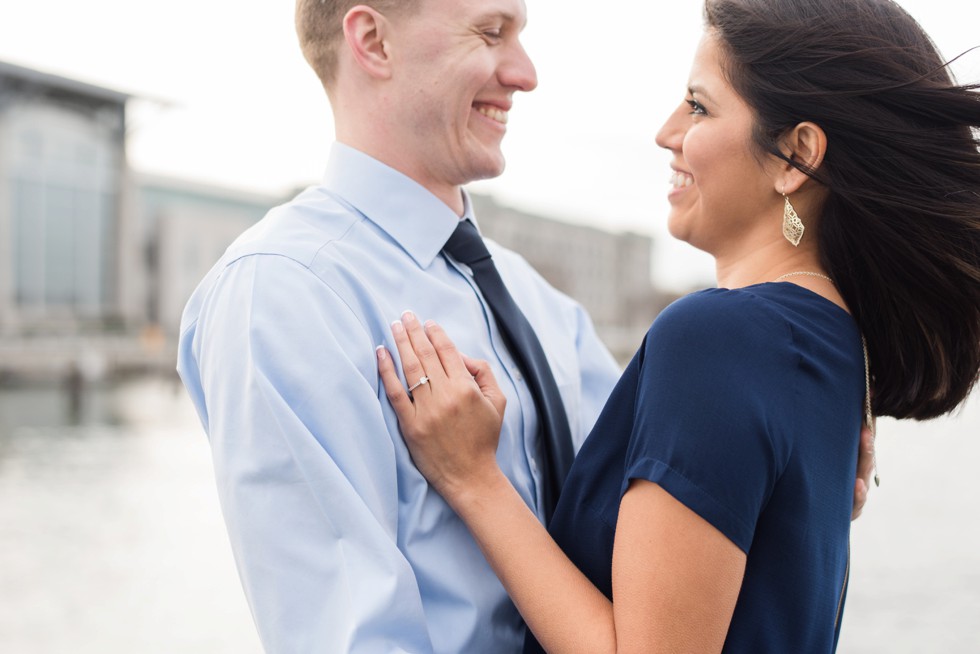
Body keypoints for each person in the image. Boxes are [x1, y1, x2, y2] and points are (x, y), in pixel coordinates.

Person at [377, 0, 980, 652]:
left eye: (698, 106)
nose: (666, 133)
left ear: (795, 156)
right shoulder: (836, 352)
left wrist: (474, 480)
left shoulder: (719, 336)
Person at [176, 0, 624, 651]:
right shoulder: (284, 291)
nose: (525, 74)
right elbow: (350, 636)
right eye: (492, 33)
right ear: (373, 42)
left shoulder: (540, 301)